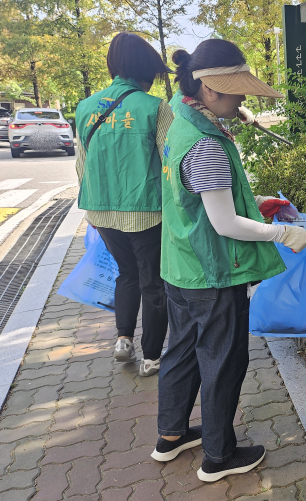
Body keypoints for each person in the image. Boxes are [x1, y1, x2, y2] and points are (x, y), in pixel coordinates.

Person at [150, 39, 306, 482]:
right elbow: (224, 223)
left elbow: (203, 199)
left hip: (179, 265)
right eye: (236, 91)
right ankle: (219, 457)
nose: (243, 98)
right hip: (211, 272)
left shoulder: (181, 118)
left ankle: (171, 436)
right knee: (223, 360)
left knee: (181, 351)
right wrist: (283, 232)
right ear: (207, 90)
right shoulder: (206, 145)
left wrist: (255, 200)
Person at [75, 32, 172, 377]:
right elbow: (170, 164)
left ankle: (123, 340)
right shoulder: (155, 107)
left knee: (126, 274)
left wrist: (92, 213)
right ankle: (152, 357)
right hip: (146, 212)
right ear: (146, 69)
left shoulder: (86, 107)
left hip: (101, 210)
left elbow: (81, 166)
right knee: (153, 282)